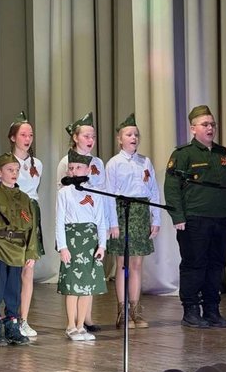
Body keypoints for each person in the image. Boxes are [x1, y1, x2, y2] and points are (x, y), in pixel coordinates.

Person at [163, 105, 226, 329]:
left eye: (212, 124)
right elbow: (172, 188)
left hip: (222, 219)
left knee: (216, 265)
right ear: (193, 128)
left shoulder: (225, 155)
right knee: (194, 265)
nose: (210, 128)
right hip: (194, 219)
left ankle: (212, 309)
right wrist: (177, 216)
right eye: (205, 124)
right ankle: (191, 310)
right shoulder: (183, 154)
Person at [56, 112, 117, 332]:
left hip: (93, 222)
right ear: (75, 138)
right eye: (86, 136)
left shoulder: (97, 162)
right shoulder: (66, 161)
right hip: (73, 224)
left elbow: (105, 193)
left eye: (93, 136)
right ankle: (73, 322)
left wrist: (112, 222)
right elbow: (62, 190)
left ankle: (86, 320)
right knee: (74, 276)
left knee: (89, 273)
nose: (90, 140)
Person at [105, 113, 161, 330]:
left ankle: (136, 311)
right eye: (129, 134)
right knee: (122, 263)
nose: (133, 138)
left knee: (137, 263)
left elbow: (153, 190)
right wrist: (113, 223)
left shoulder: (145, 161)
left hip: (141, 212)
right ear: (120, 139)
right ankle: (122, 312)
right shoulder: (114, 163)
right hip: (122, 212)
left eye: (136, 134)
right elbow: (109, 195)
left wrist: (155, 217)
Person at [0, 153, 39, 346]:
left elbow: (32, 227)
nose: (14, 173)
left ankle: (12, 323)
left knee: (14, 289)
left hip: (18, 249)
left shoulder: (25, 199)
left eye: (16, 170)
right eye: (10, 170)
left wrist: (31, 252)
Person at [56, 150, 108, 342]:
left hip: (90, 241)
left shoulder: (95, 192)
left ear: (88, 169)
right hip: (72, 240)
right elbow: (59, 221)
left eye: (78, 167)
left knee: (87, 286)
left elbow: (101, 221)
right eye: (71, 168)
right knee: (73, 285)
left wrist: (102, 245)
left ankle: (81, 326)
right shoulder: (64, 192)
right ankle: (71, 325)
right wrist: (62, 247)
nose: (74, 171)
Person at [2, 112, 43, 337]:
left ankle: (24, 319)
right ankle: (9, 316)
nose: (28, 139)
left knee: (29, 267)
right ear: (13, 137)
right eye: (23, 135)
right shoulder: (7, 163)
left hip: (31, 214)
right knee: (12, 268)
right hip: (13, 214)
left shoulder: (38, 164)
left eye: (31, 135)